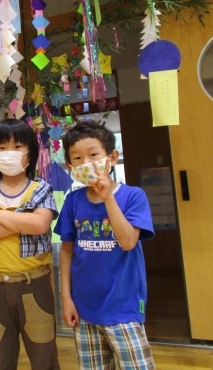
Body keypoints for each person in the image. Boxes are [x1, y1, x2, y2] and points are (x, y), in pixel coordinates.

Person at [54, 120, 155, 370]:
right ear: (70, 166)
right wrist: (66, 299)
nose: (86, 162)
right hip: (84, 308)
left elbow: (129, 241)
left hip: (124, 306)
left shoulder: (132, 196)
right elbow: (66, 252)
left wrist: (108, 197)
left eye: (93, 154)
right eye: (77, 158)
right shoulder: (73, 201)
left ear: (112, 157)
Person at [0, 118, 60, 370]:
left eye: (18, 146)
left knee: (44, 358)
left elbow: (40, 224)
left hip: (35, 283)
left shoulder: (41, 189)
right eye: (1, 148)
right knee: (1, 358)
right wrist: (21, 220)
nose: (9, 153)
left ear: (30, 151)